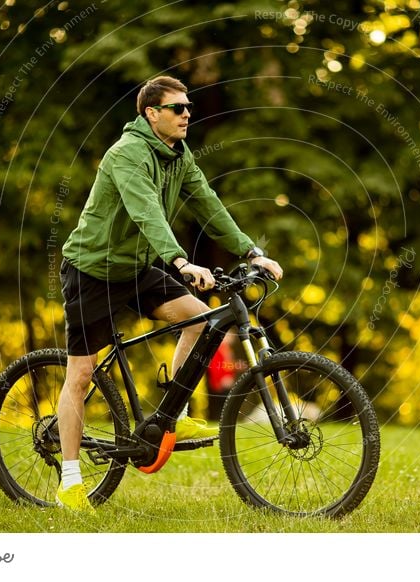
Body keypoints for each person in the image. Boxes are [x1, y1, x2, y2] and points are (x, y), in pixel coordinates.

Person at [56, 76, 283, 512]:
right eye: (176, 108)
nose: (186, 114)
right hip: (92, 272)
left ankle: (172, 418)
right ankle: (69, 480)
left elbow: (208, 203)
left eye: (188, 108)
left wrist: (252, 251)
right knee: (80, 375)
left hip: (137, 268)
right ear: (151, 113)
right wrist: (180, 262)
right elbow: (146, 211)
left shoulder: (179, 155)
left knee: (201, 320)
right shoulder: (126, 155)